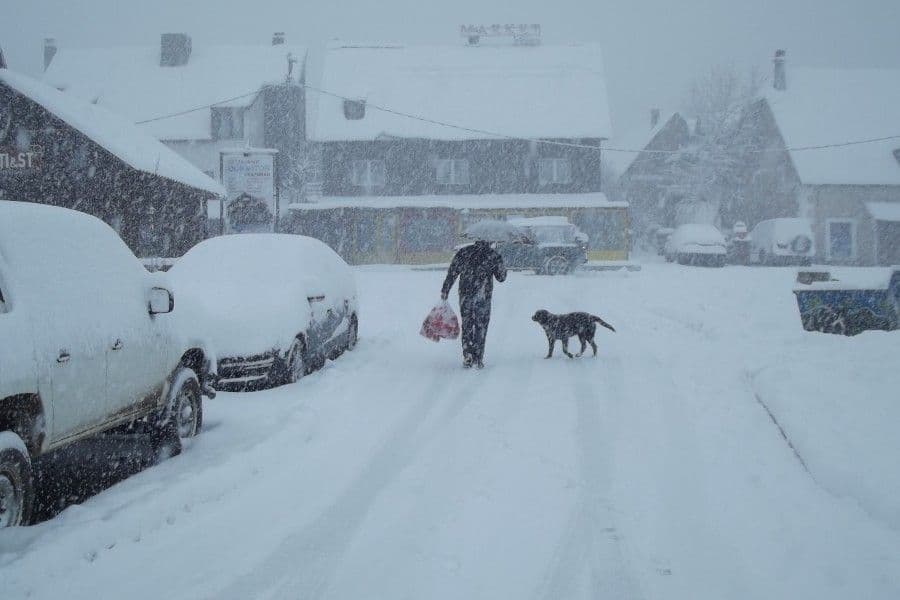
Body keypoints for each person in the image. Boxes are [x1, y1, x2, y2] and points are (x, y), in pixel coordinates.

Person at [441, 239, 507, 369]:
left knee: (467, 324)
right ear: (489, 241)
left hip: (466, 294)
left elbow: (453, 272)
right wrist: (501, 265)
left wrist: (445, 289)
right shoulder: (493, 255)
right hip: (483, 295)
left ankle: (467, 354)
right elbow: (501, 278)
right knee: (481, 326)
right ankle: (478, 357)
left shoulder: (464, 252)